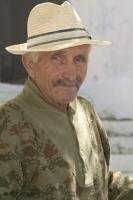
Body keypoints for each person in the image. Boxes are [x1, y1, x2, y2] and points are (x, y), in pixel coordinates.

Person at [0, 1, 133, 199]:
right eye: (57, 57)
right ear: (30, 63)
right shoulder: (8, 123)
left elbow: (102, 181)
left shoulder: (86, 111)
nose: (71, 72)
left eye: (79, 59)